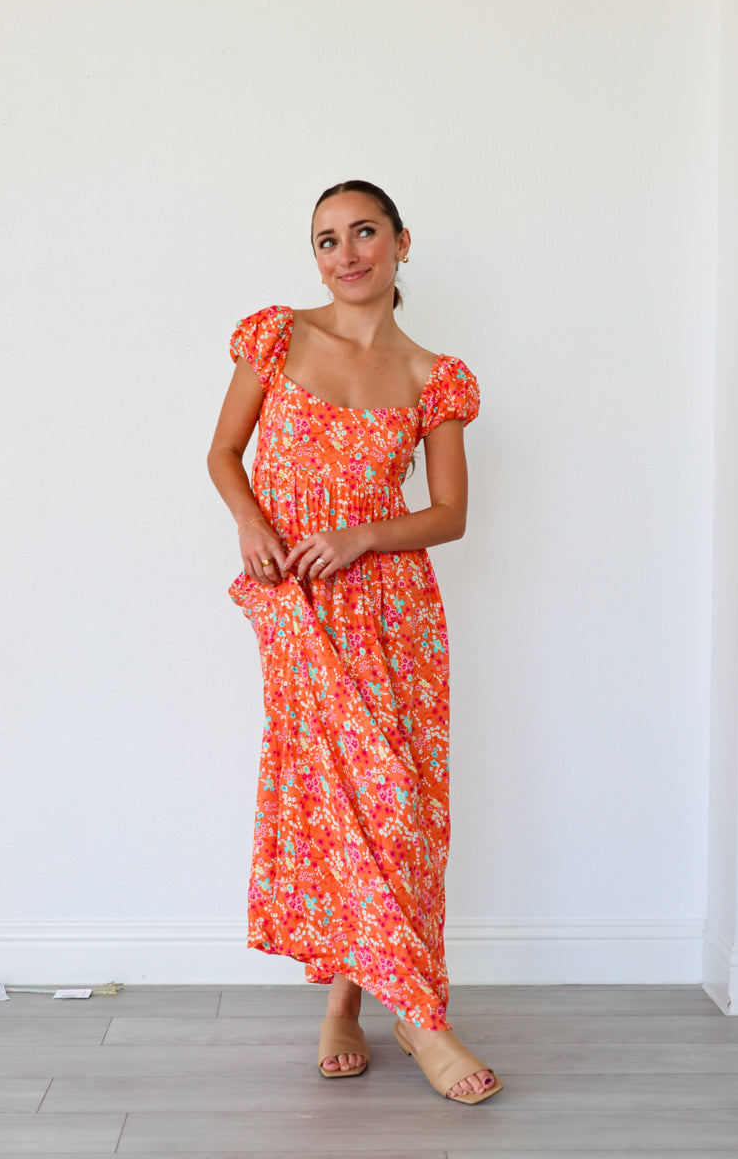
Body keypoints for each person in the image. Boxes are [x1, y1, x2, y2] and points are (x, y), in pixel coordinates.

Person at [207, 180, 502, 1105]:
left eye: (364, 232)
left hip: (398, 614)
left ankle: (346, 1003)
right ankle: (423, 1021)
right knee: (343, 798)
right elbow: (222, 452)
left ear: (402, 242)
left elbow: (450, 515)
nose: (346, 253)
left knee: (397, 816)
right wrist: (253, 523)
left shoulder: (433, 377)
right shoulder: (276, 338)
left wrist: (365, 533)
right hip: (299, 605)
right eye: (327, 239)